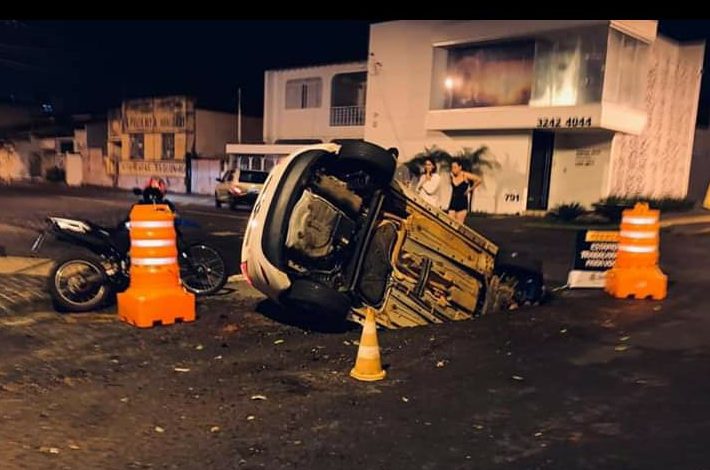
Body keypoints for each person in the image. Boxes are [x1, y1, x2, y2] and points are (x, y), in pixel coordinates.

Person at [447, 158, 482, 224]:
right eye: (452, 167)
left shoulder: (465, 175)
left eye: (455, 167)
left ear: (460, 167)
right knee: (449, 223)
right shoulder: (451, 176)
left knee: (458, 225)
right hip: (453, 202)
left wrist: (470, 190)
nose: (453, 169)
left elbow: (479, 180)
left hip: (462, 203)